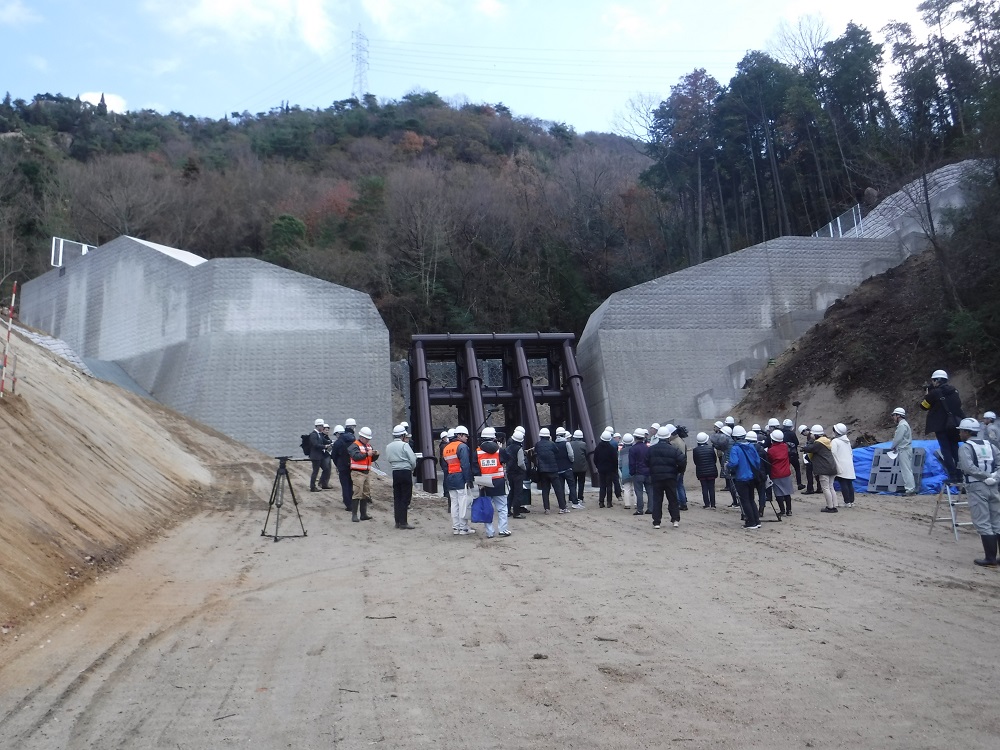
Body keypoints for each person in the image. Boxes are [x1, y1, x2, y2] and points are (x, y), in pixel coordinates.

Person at [956, 418, 1000, 566]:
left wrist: (986, 477)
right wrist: (994, 477)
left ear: (967, 432)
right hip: (993, 485)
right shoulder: (990, 445)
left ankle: (990, 558)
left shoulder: (965, 447)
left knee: (983, 521)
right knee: (997, 520)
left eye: (961, 431)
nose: (960, 433)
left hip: (976, 486)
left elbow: (968, 468)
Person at [920, 369, 965, 481]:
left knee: (946, 450)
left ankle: (952, 476)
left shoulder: (934, 393)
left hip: (941, 427)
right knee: (955, 450)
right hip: (954, 425)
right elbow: (958, 405)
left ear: (938, 380)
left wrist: (928, 393)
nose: (933, 382)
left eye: (934, 380)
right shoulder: (955, 391)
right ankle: (960, 475)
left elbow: (923, 406)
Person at [648, 425, 687, 529]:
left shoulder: (651, 450)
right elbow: (682, 460)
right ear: (668, 436)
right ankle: (675, 520)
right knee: (673, 499)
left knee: (657, 500)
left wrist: (652, 471)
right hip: (670, 478)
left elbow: (646, 462)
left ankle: (657, 522)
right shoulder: (673, 449)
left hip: (656, 478)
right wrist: (678, 471)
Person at [475, 426, 510, 538]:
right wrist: (501, 448)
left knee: (487, 508)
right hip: (499, 482)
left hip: (484, 484)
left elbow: (475, 470)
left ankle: (490, 532)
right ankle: (503, 529)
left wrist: (478, 483)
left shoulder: (477, 452)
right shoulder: (500, 451)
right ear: (494, 438)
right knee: (502, 507)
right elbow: (507, 460)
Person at [443, 425, 475, 534]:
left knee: (454, 503)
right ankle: (463, 528)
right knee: (463, 503)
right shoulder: (462, 447)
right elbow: (465, 465)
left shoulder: (446, 448)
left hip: (450, 477)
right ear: (459, 435)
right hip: (460, 477)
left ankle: (456, 527)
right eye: (465, 436)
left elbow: (445, 465)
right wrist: (469, 480)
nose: (467, 438)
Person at [727, 426, 761, 529]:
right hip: (752, 477)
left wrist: (727, 465)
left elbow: (734, 463)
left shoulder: (735, 448)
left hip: (741, 477)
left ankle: (751, 522)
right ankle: (757, 520)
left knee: (744, 500)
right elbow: (757, 461)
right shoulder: (751, 446)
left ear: (735, 437)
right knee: (751, 499)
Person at [385, 424, 417, 529]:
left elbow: (389, 459)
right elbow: (413, 460)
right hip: (405, 471)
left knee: (397, 497)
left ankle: (397, 521)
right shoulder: (404, 445)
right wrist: (412, 468)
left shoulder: (388, 446)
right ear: (403, 435)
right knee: (405, 497)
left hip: (395, 472)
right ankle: (404, 522)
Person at [803, 425, 839, 513]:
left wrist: (804, 447)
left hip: (824, 469)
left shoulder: (818, 443)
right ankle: (835, 504)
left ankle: (830, 507)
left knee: (826, 488)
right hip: (832, 467)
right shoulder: (826, 441)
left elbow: (810, 449)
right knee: (831, 487)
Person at [347, 426, 379, 522]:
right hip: (357, 473)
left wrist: (375, 455)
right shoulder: (354, 445)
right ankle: (354, 515)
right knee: (357, 493)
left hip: (366, 472)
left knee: (365, 493)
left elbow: (370, 459)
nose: (368, 441)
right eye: (367, 438)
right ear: (361, 437)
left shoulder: (368, 446)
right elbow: (355, 456)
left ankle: (363, 514)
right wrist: (367, 454)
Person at [533, 428, 567, 514]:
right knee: (558, 489)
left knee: (545, 490)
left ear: (540, 436)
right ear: (549, 436)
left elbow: (535, 453)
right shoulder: (552, 444)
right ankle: (562, 507)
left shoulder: (537, 445)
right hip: (553, 470)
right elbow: (557, 451)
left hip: (543, 470)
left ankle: (547, 508)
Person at [710, 423, 739, 507]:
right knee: (733, 484)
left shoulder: (726, 441)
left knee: (732, 485)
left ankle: (736, 502)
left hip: (729, 463)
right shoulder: (730, 440)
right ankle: (736, 502)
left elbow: (715, 441)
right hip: (730, 462)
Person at [331, 419, 357, 510]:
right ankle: (353, 502)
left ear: (337, 433)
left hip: (342, 466)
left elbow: (333, 456)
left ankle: (348, 504)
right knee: (351, 484)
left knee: (345, 485)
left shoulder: (338, 442)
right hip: (352, 465)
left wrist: (337, 465)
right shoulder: (353, 440)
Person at [890, 407, 917, 495]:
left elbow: (898, 438)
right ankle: (910, 488)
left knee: (906, 470)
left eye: (894, 415)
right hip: (906, 449)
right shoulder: (904, 424)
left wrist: (893, 447)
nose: (893, 417)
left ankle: (910, 489)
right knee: (907, 469)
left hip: (904, 450)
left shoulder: (902, 425)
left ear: (898, 415)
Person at [767, 430, 794, 515]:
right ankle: (789, 510)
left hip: (776, 473)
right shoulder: (785, 446)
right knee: (787, 493)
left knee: (778, 493)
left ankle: (782, 510)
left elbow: (769, 460)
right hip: (786, 472)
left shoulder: (771, 450)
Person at [505, 427, 529, 518]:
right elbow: (521, 463)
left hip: (510, 472)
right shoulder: (519, 449)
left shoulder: (508, 448)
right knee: (518, 492)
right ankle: (516, 512)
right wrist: (525, 469)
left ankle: (508, 510)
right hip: (518, 473)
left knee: (512, 491)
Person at [831, 423, 857, 508]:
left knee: (843, 483)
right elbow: (851, 453)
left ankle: (847, 502)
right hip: (849, 464)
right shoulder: (847, 441)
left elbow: (833, 453)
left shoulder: (835, 441)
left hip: (840, 464)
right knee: (849, 483)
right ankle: (851, 502)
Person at [629, 427, 651, 515]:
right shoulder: (648, 448)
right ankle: (651, 508)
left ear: (635, 437)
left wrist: (632, 472)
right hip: (648, 472)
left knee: (639, 492)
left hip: (638, 473)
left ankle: (640, 509)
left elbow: (632, 463)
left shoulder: (633, 449)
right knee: (650, 491)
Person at [555, 428, 579, 508]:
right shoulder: (566, 443)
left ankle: (563, 504)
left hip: (558, 469)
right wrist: (571, 462)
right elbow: (571, 455)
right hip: (567, 468)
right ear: (564, 434)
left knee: (561, 487)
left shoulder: (554, 444)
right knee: (572, 485)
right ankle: (575, 502)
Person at [692, 431, 718, 508]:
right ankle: (713, 504)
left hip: (701, 472)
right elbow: (714, 460)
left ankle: (706, 504)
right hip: (711, 471)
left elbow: (695, 461)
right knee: (711, 488)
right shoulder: (711, 448)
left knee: (704, 488)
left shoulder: (695, 450)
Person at [594, 429, 618, 508]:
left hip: (601, 469)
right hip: (610, 469)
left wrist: (598, 466)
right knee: (609, 485)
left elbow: (595, 459)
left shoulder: (597, 448)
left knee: (602, 485)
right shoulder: (611, 449)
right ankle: (609, 502)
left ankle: (601, 502)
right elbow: (615, 460)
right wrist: (615, 469)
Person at [667, 425, 689, 511]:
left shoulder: (674, 443)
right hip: (682, 466)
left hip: (676, 467)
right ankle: (683, 502)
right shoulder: (681, 440)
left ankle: (679, 503)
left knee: (675, 486)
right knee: (680, 485)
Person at [782, 418, 804, 489]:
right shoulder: (792, 433)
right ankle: (799, 484)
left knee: (786, 470)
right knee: (797, 469)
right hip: (793, 454)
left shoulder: (781, 433)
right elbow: (796, 443)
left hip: (785, 454)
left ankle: (786, 484)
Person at [307, 418, 327, 492]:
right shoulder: (313, 435)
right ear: (318, 426)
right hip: (315, 456)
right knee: (315, 471)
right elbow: (315, 445)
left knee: (326, 469)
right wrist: (324, 446)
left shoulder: (319, 434)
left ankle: (320, 483)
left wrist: (331, 442)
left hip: (319, 456)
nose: (323, 428)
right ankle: (312, 487)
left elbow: (324, 441)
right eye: (322, 426)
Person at [570, 429, 589, 502]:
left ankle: (572, 497)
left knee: (573, 483)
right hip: (582, 467)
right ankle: (580, 497)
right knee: (581, 483)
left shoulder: (570, 443)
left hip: (573, 466)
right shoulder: (583, 444)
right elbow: (586, 454)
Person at [619, 432, 636, 509]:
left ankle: (627, 504)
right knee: (636, 488)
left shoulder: (621, 451)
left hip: (625, 471)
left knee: (626, 488)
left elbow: (620, 463)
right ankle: (636, 503)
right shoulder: (635, 449)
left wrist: (621, 470)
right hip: (635, 470)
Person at [799, 425, 816, 494]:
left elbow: (811, 447)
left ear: (804, 431)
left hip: (811, 457)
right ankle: (818, 487)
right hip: (814, 457)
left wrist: (804, 448)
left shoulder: (811, 437)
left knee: (809, 473)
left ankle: (810, 489)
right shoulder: (813, 435)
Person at [319, 423, 334, 489]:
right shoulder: (321, 436)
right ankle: (322, 483)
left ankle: (324, 484)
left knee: (328, 470)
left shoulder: (326, 437)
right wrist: (331, 442)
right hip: (324, 456)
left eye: (328, 430)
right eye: (326, 430)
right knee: (326, 469)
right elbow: (326, 442)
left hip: (328, 455)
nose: (327, 431)